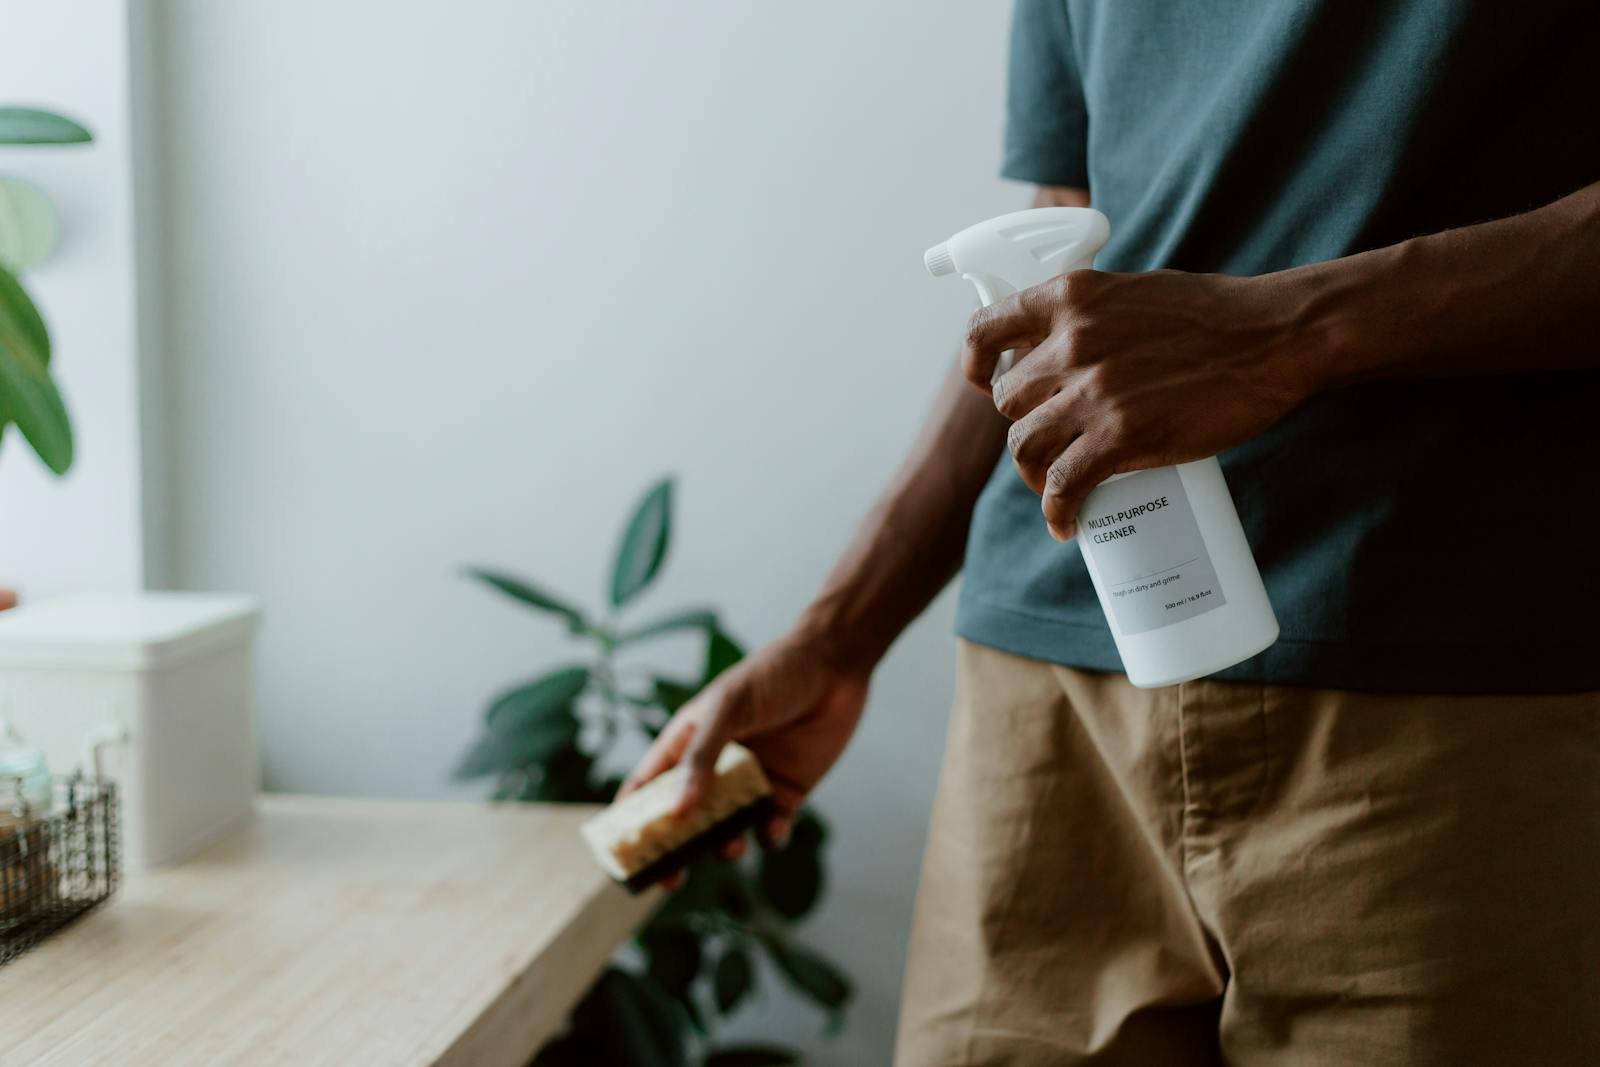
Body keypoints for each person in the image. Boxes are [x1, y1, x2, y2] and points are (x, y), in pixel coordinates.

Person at [622, 2, 1600, 1063]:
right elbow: (1050, 259)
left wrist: (1288, 332)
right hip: (1046, 708)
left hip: (1446, 697)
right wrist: (838, 634)